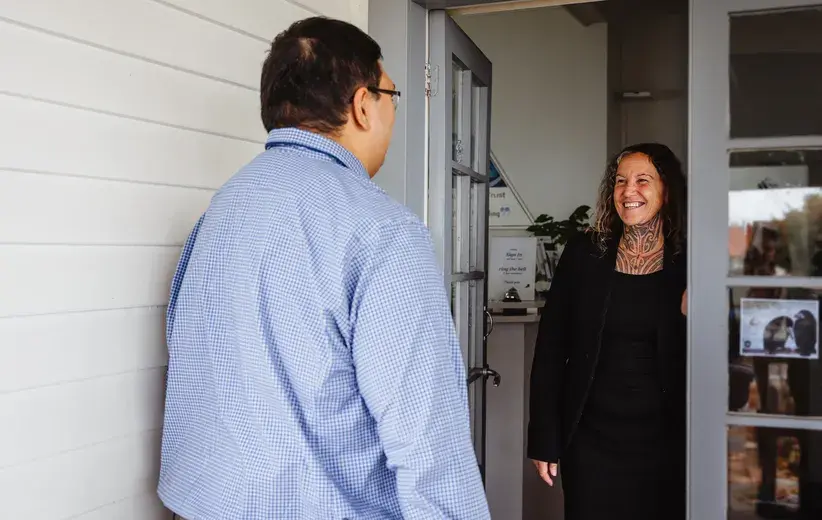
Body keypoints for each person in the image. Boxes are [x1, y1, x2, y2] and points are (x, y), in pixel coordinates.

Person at [158, 17, 490, 520]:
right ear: (362, 105)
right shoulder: (383, 232)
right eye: (391, 96)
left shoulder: (221, 214)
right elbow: (430, 449)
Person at [527, 143, 688, 520]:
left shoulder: (690, 258)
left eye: (642, 181)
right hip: (591, 439)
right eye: (620, 181)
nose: (628, 191)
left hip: (668, 439)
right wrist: (544, 439)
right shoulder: (585, 253)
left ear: (666, 190)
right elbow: (551, 350)